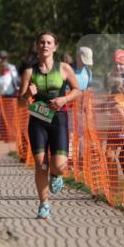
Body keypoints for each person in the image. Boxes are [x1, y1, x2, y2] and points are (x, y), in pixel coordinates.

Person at [17, 31, 81, 219]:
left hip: (58, 119)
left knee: (60, 165)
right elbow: (20, 102)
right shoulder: (29, 71)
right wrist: (28, 94)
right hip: (37, 120)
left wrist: (64, 98)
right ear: (37, 46)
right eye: (42, 42)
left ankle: (56, 175)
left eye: (49, 42)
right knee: (40, 164)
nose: (45, 45)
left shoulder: (63, 68)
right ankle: (44, 205)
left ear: (55, 47)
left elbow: (78, 90)